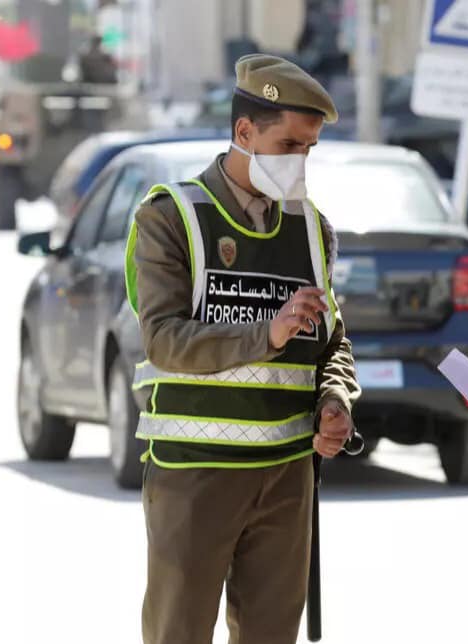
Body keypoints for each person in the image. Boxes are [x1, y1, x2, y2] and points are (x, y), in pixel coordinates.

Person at [124, 54, 360, 644]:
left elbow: (332, 340)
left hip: (286, 476)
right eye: (288, 146)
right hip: (193, 474)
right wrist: (267, 335)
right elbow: (164, 340)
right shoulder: (170, 217)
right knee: (178, 632)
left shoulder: (313, 229)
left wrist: (335, 396)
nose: (299, 162)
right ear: (244, 133)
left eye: (309, 149)